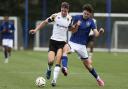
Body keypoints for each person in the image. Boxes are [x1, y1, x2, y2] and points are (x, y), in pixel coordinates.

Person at [61, 4, 105, 86]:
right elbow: (71, 30)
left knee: (88, 65)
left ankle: (98, 79)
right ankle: (65, 68)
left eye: (88, 14)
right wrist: (77, 25)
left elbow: (96, 34)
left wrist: (100, 32)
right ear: (83, 12)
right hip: (73, 43)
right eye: (85, 13)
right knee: (65, 49)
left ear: (90, 14)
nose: (86, 15)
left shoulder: (91, 21)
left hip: (82, 46)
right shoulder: (76, 17)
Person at [29, 2, 72, 86]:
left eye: (65, 11)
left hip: (62, 43)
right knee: (51, 61)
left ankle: (54, 80)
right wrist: (36, 30)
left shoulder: (70, 18)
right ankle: (49, 68)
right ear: (61, 9)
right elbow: (45, 22)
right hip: (53, 42)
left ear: (68, 11)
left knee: (58, 61)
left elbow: (71, 29)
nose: (63, 12)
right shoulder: (55, 16)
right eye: (62, 10)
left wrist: (76, 27)